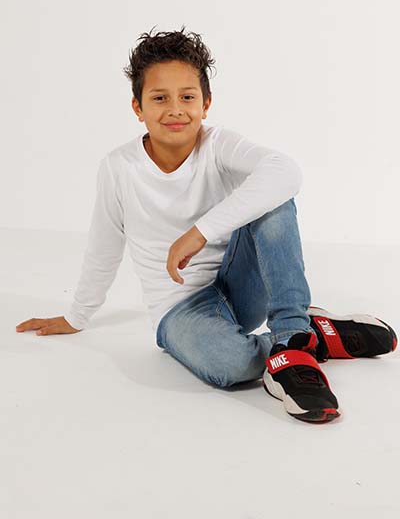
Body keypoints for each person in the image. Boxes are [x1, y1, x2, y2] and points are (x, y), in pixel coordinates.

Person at [15, 26, 397, 424]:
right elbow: (104, 246)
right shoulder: (119, 167)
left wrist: (200, 233)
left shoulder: (218, 145)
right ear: (137, 107)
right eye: (159, 98)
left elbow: (286, 171)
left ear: (206, 103)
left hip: (242, 290)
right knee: (232, 366)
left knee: (274, 198)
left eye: (187, 97)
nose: (175, 109)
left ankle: (290, 339)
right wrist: (77, 316)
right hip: (180, 309)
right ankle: (310, 335)